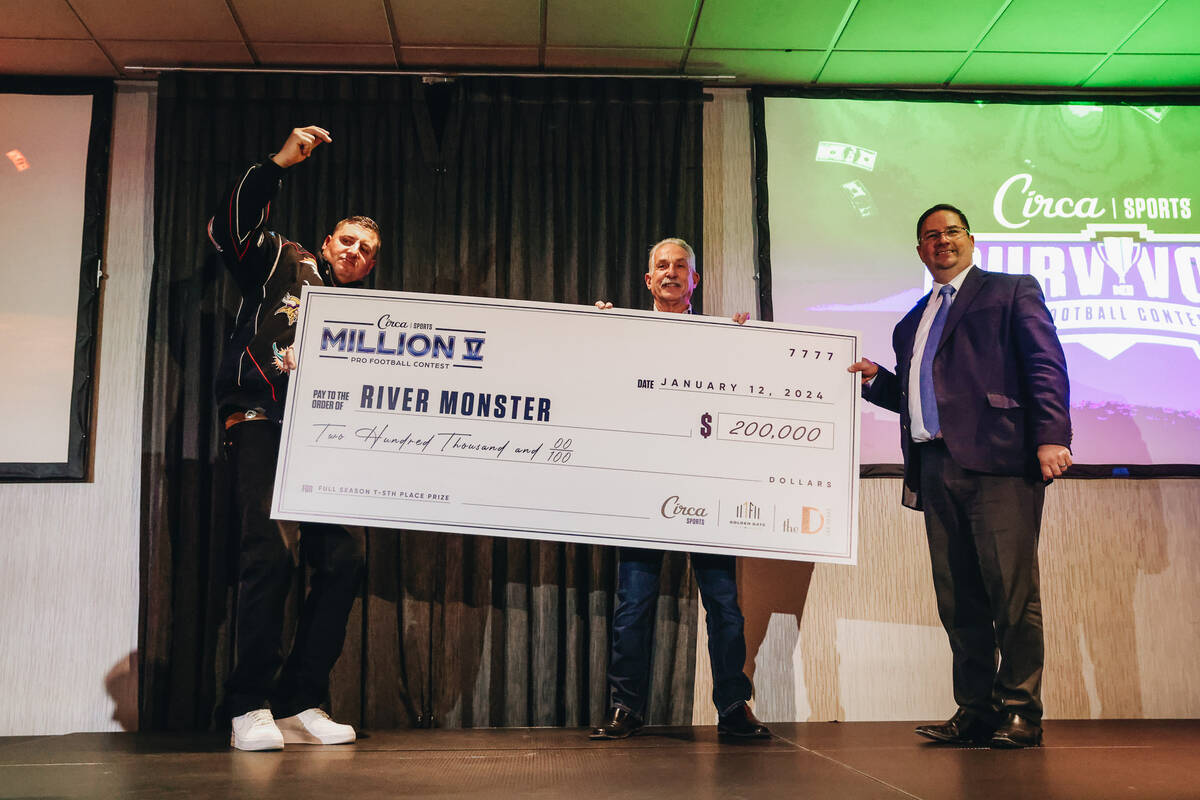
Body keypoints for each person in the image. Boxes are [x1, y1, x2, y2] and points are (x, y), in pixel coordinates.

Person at [849, 204, 1072, 749]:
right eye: (930, 236)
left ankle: (1021, 710)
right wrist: (878, 380)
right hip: (935, 465)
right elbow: (917, 392)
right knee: (959, 601)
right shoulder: (911, 321)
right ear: (920, 250)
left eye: (951, 232)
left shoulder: (1012, 289)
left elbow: (1045, 363)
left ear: (970, 240)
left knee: (1011, 593)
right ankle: (975, 709)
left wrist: (1052, 434)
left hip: (999, 463)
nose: (942, 241)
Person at [207, 125, 379, 751]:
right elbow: (231, 230)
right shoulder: (285, 258)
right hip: (260, 418)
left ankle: (298, 699)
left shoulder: (373, 317)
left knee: (345, 560)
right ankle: (246, 704)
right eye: (348, 241)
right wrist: (279, 162)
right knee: (272, 555)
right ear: (329, 242)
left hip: (327, 439)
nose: (355, 252)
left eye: (367, 250)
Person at [589, 238, 767, 740]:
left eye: (680, 267)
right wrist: (593, 332)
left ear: (695, 281)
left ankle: (733, 706)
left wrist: (747, 344)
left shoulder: (720, 337)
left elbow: (749, 393)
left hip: (705, 489)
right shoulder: (620, 333)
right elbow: (587, 381)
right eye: (661, 267)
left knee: (725, 606)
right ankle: (626, 708)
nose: (671, 274)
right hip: (642, 488)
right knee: (634, 605)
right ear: (648, 281)